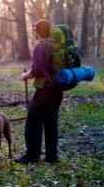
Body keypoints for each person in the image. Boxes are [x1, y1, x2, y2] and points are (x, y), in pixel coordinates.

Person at [15, 19, 63, 164]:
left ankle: (31, 156)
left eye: (35, 29)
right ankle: (52, 156)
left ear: (38, 31)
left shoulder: (40, 48)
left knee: (32, 121)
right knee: (50, 123)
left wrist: (25, 76)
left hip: (45, 92)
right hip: (57, 91)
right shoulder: (54, 47)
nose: (34, 32)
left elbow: (36, 71)